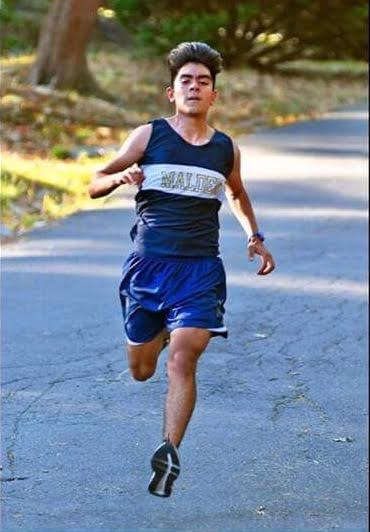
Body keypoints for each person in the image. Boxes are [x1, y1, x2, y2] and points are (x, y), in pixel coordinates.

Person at [88, 41, 275, 498]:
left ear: (214, 95)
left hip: (200, 270)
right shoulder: (148, 136)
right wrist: (119, 179)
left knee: (183, 357)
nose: (194, 87)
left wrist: (254, 235)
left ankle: (169, 449)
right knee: (142, 369)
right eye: (186, 81)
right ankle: (163, 329)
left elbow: (235, 193)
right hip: (148, 268)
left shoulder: (224, 148)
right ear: (171, 93)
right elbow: (94, 183)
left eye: (204, 82)